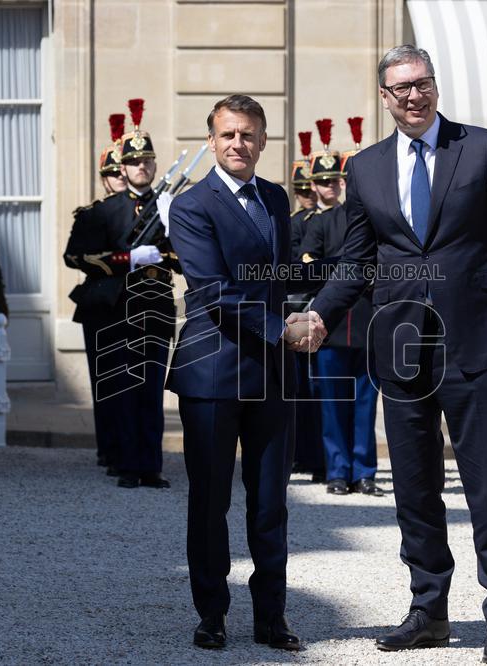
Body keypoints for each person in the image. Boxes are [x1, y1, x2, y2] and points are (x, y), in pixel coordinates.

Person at [307, 46, 487, 664]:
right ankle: (429, 608)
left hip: (481, 347)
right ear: (384, 97)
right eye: (401, 87)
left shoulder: (484, 148)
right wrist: (319, 313)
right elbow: (357, 260)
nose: (414, 96)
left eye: (422, 83)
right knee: (414, 488)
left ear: (435, 87)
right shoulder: (365, 168)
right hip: (402, 351)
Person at [167, 94, 326, 652]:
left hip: (272, 373)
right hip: (213, 371)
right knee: (211, 499)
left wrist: (311, 313)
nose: (239, 144)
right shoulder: (190, 207)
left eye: (249, 134)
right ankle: (212, 613)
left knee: (271, 500)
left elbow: (279, 279)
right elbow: (212, 290)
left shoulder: (277, 198)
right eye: (229, 134)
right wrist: (281, 328)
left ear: (263, 140)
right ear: (212, 140)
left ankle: (270, 618)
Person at [64, 99, 175, 489]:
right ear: (122, 168)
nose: (141, 167)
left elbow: (187, 258)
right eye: (134, 163)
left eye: (147, 161)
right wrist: (126, 258)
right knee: (124, 389)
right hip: (116, 310)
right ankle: (128, 465)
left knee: (151, 391)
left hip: (157, 309)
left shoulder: (170, 209)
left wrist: (172, 223)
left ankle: (151, 465)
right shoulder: (103, 212)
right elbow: (75, 257)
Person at [300, 118, 381, 497]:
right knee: (332, 403)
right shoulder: (323, 223)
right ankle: (337, 470)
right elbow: (307, 270)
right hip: (330, 324)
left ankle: (364, 470)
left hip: (367, 322)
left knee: (366, 404)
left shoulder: (379, 221)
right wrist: (348, 270)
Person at [64, 113, 129, 475]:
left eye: (124, 172)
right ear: (104, 179)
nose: (120, 177)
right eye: (114, 173)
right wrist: (119, 261)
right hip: (102, 305)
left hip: (138, 305)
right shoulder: (92, 215)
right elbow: (74, 256)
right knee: (106, 380)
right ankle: (110, 447)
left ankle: (132, 447)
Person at [288, 130, 326, 483]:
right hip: (299, 307)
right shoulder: (294, 224)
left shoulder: (322, 222)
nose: (306, 196)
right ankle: (304, 452)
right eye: (301, 190)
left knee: (316, 391)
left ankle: (317, 455)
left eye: (308, 189)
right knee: (300, 390)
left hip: (321, 306)